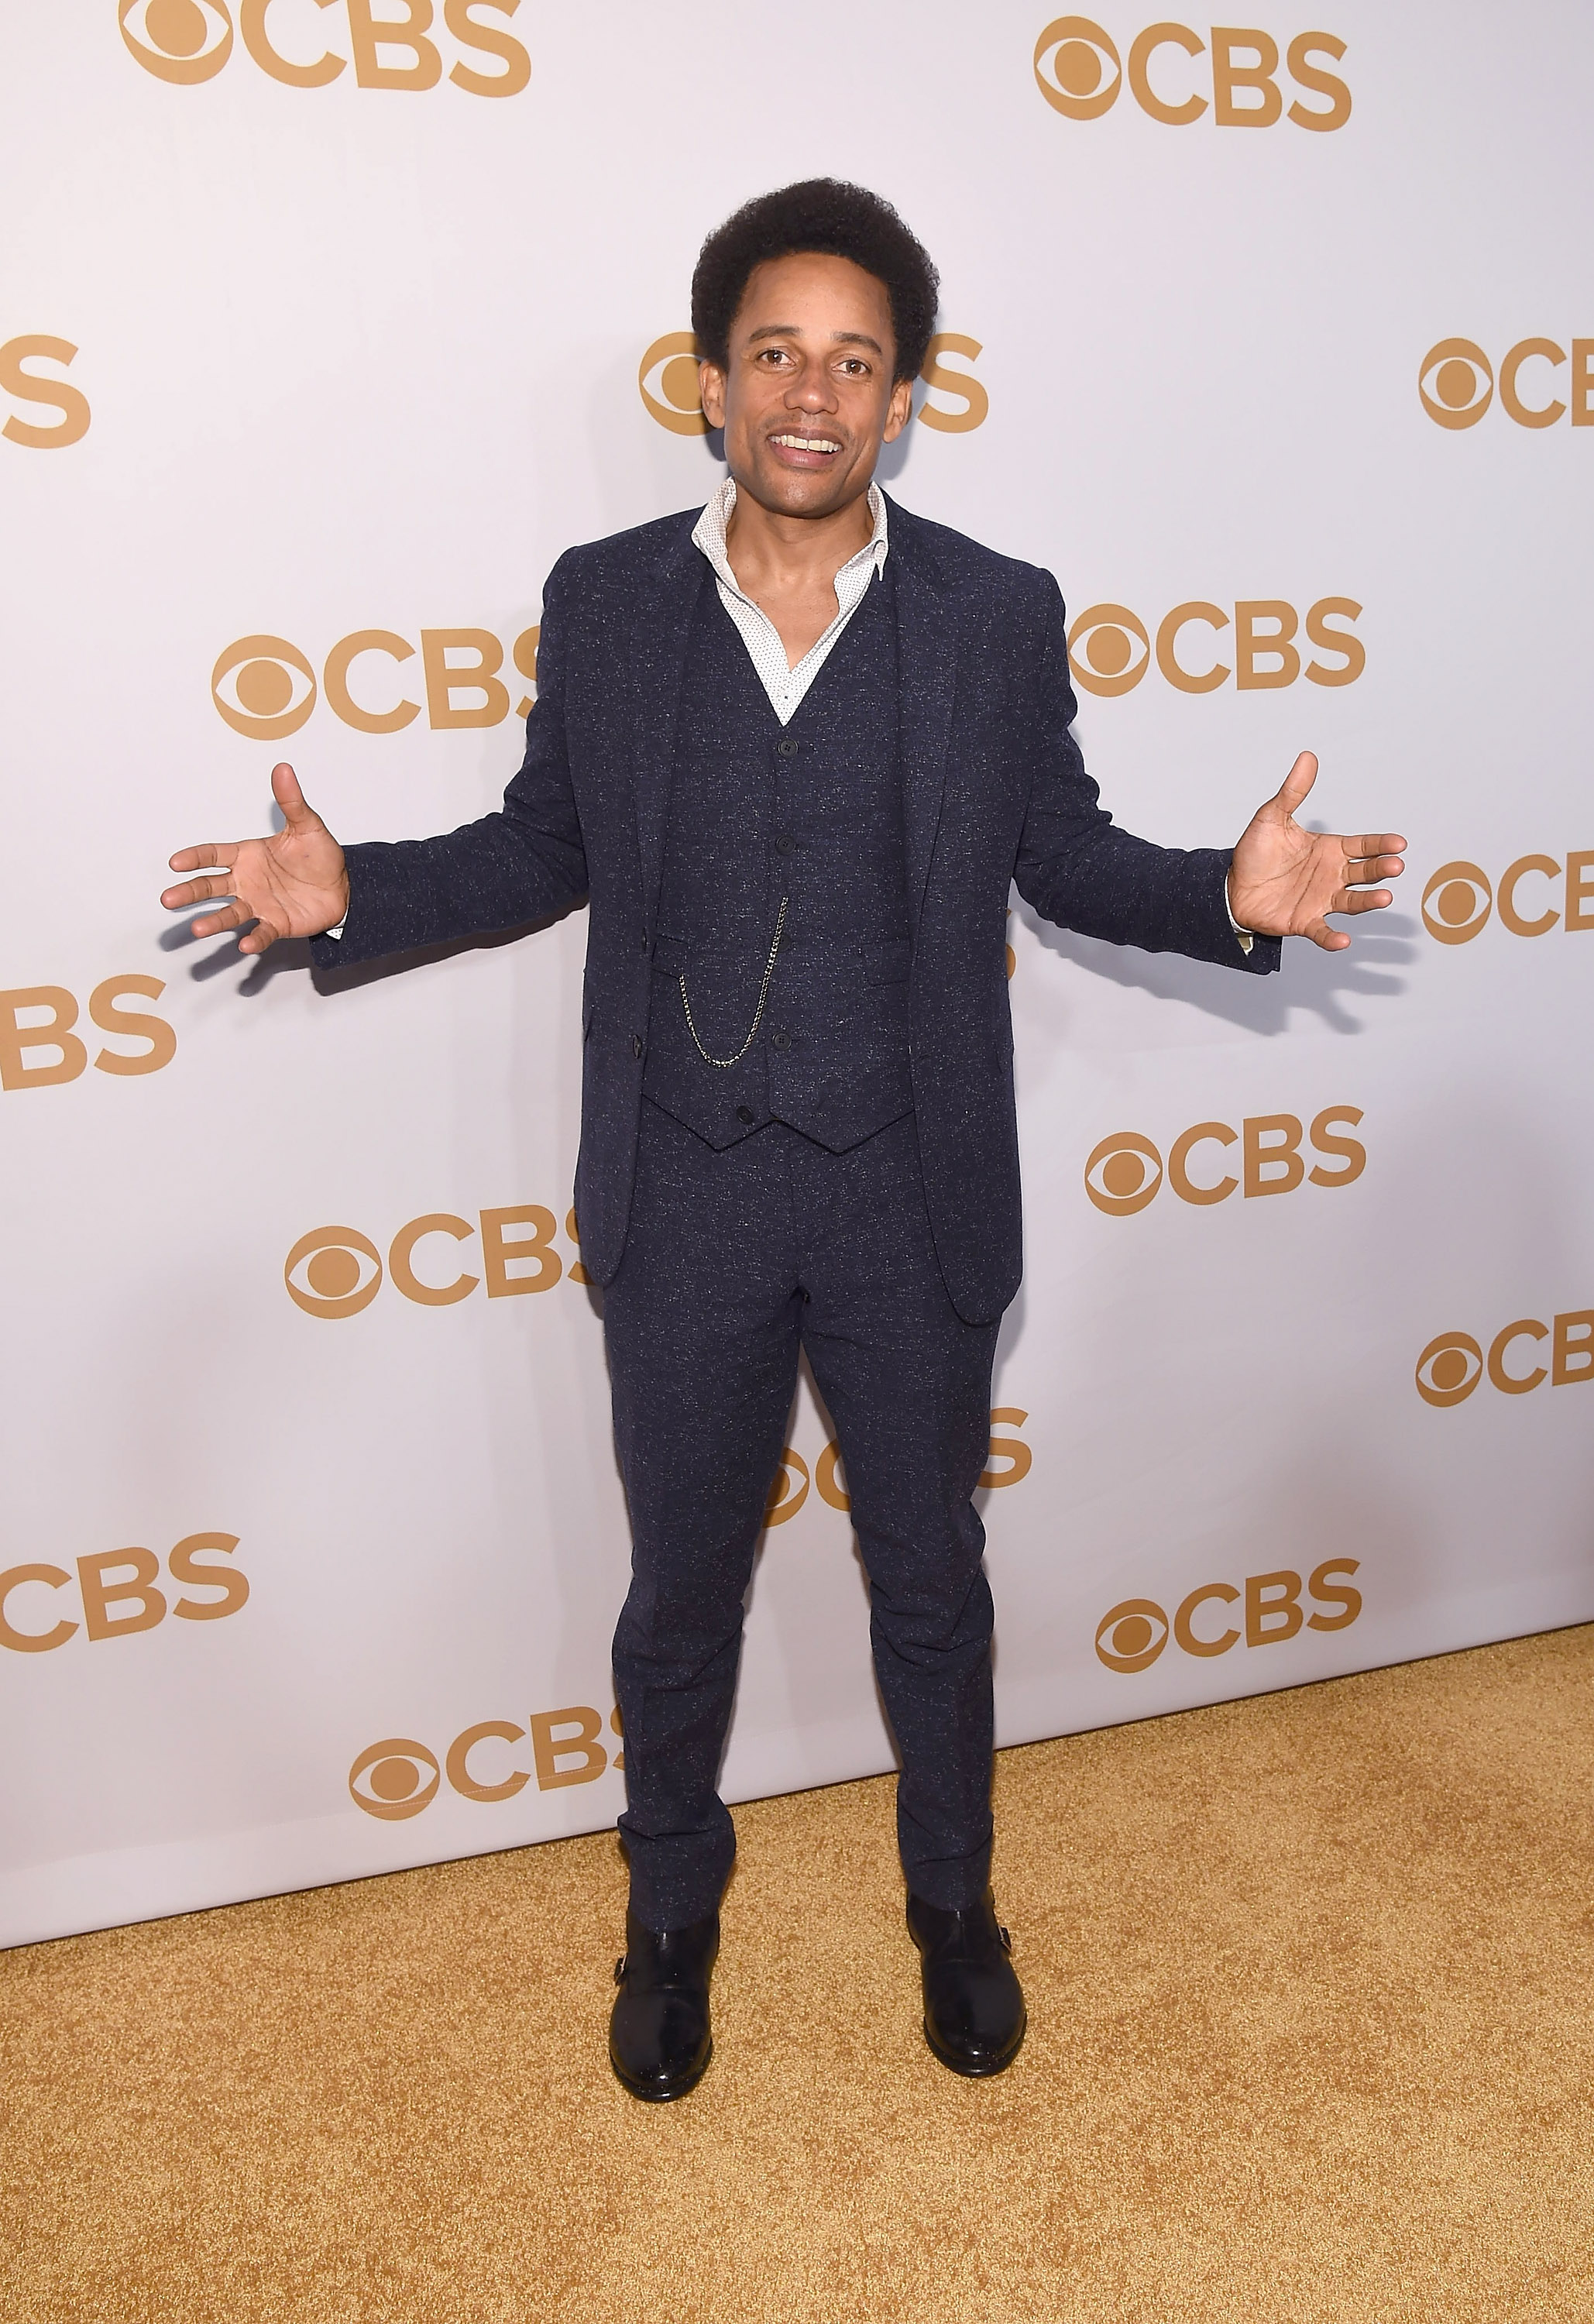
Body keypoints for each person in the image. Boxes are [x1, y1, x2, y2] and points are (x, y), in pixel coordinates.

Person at [162, 180, 1404, 2102]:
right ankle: (670, 1921)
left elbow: (1062, 859)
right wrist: (358, 896)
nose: (811, 395)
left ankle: (958, 1913)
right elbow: (546, 847)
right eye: (774, 353)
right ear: (710, 382)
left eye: (854, 359)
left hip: (915, 1190)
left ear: (903, 395)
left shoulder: (996, 612)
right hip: (689, 1192)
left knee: (932, 1579)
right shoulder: (608, 597)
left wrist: (1227, 897)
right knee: (679, 1598)